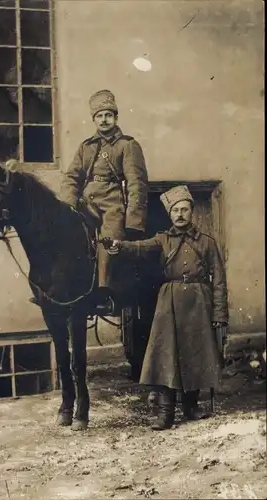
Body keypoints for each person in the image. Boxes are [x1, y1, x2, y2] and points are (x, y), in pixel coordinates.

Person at [105, 185, 228, 430]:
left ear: (192, 212)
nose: (180, 214)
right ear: (170, 214)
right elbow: (140, 247)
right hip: (169, 301)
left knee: (195, 354)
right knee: (165, 356)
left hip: (198, 302)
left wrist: (219, 314)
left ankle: (191, 408)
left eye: (184, 209)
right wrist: (119, 246)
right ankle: (166, 414)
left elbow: (220, 280)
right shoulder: (162, 239)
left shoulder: (207, 243)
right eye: (176, 211)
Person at [57, 89, 148, 315]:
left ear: (115, 118)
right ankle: (60, 287)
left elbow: (137, 183)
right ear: (94, 119)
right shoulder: (86, 146)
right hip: (86, 202)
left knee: (109, 241)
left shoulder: (127, 145)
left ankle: (103, 294)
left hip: (112, 203)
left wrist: (133, 221)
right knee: (67, 236)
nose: (104, 120)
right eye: (99, 116)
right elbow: (72, 176)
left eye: (108, 115)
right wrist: (67, 204)